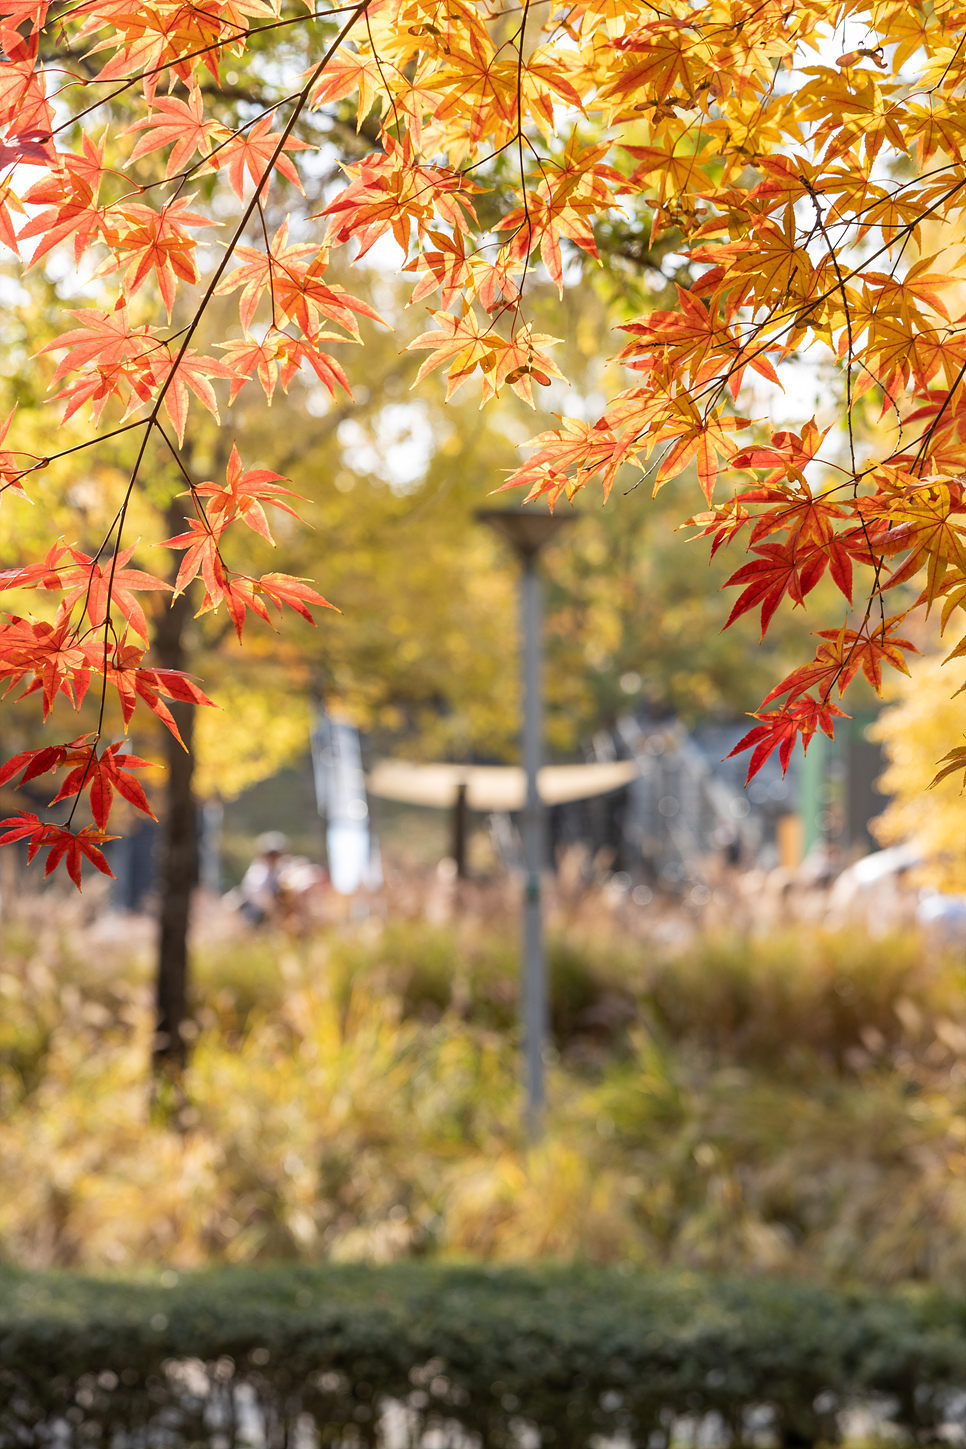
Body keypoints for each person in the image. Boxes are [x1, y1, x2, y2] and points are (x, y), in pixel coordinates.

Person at [238, 831, 290, 925]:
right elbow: (263, 899)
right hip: (255, 913)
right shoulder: (258, 873)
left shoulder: (280, 868)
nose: (274, 858)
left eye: (276, 854)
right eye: (271, 855)